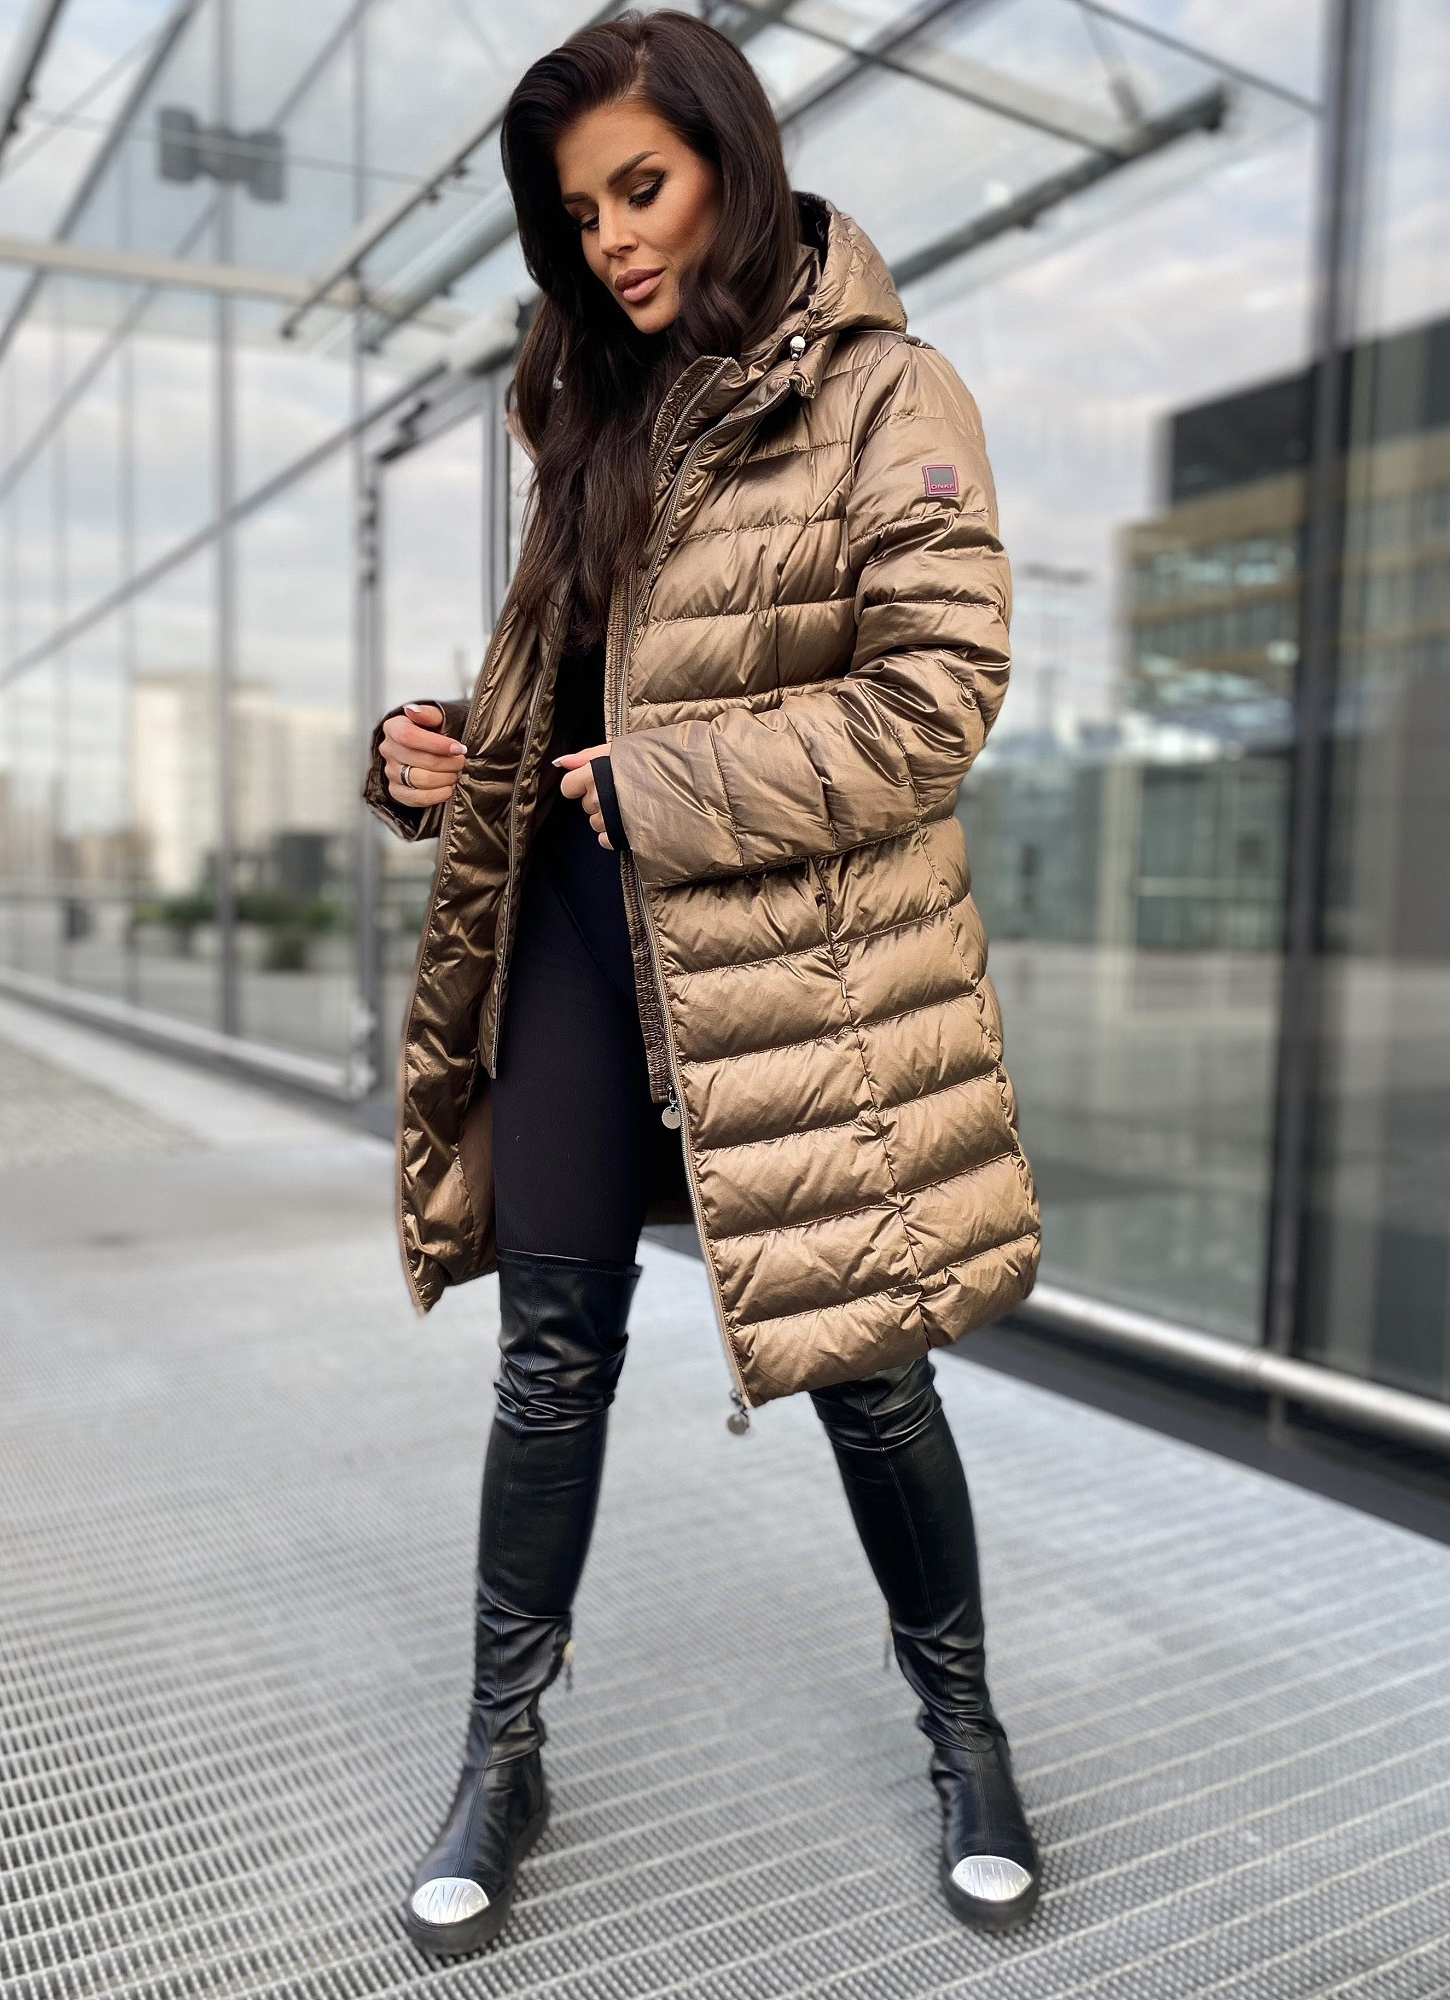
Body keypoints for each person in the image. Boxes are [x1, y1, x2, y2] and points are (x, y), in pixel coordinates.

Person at [364, 9, 1042, 1960]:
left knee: (867, 1369)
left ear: (734, 163)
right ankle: (502, 1750)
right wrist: (435, 757)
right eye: (578, 215)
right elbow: (572, 700)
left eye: (639, 189)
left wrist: (659, 783)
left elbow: (937, 699)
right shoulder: (590, 410)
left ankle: (969, 1734)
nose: (611, 241)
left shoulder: (888, 389)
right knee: (550, 1356)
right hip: (578, 942)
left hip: (797, 969)